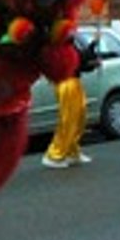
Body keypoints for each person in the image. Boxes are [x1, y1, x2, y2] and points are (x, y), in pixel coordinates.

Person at [41, 34, 98, 168]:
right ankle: (54, 155)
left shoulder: (71, 44)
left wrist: (92, 54)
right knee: (68, 120)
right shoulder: (56, 47)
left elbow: (80, 62)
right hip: (66, 83)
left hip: (74, 82)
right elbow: (71, 63)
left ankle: (71, 152)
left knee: (79, 118)